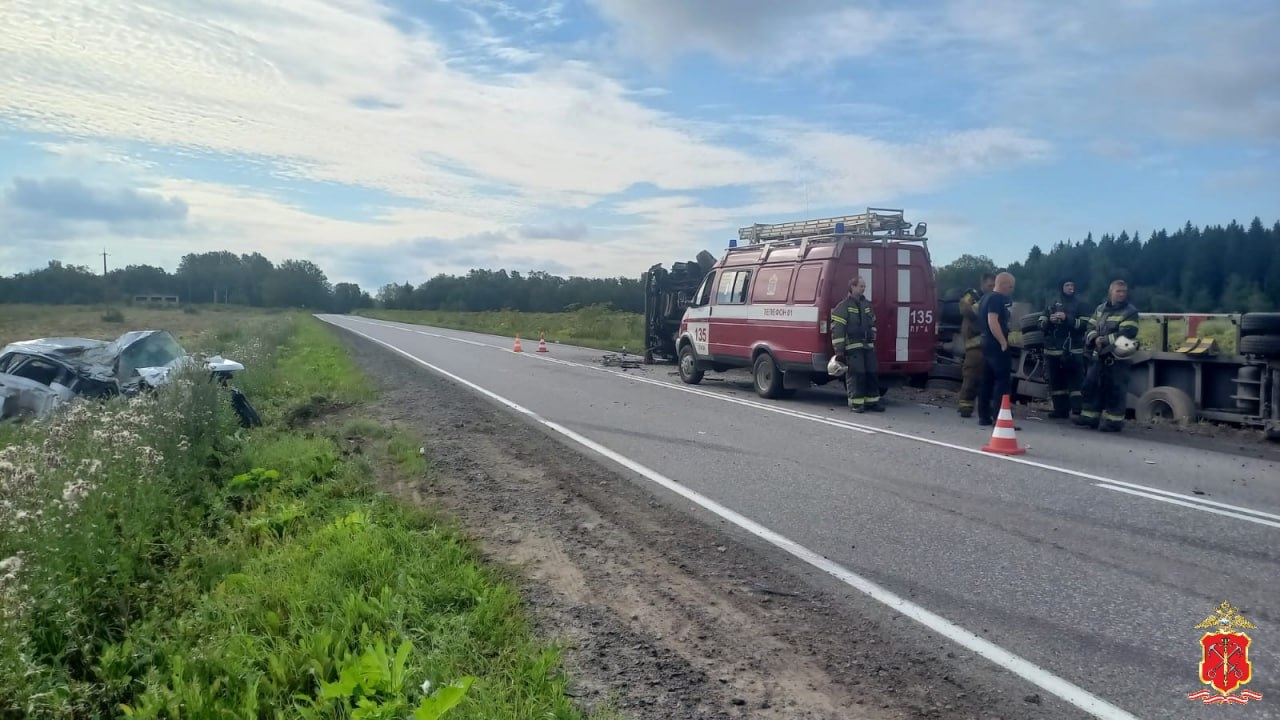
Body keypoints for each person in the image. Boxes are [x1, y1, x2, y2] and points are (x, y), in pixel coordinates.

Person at [1074, 280, 1140, 432]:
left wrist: (1104, 340)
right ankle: (1089, 417)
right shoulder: (1100, 308)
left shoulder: (1130, 311)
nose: (1122, 294)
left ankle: (1113, 422)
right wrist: (1094, 338)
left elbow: (1128, 332)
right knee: (1091, 386)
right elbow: (1090, 325)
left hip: (1117, 358)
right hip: (1099, 356)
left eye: (1124, 291)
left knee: (1115, 390)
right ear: (1111, 292)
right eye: (1118, 291)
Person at [1037, 277, 1089, 418]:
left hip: (1073, 351)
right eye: (1067, 285)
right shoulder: (1051, 303)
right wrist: (1049, 321)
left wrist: (1067, 318)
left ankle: (1078, 411)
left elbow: (1085, 325)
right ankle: (1060, 410)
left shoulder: (1081, 304)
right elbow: (1041, 323)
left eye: (1072, 284)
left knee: (1076, 383)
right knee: (1056, 383)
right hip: (1052, 351)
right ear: (1062, 287)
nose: (1070, 287)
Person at [831, 275, 883, 413]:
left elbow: (872, 323)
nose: (863, 288)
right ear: (852, 287)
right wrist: (839, 351)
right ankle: (856, 403)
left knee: (871, 373)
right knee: (857, 375)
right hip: (852, 346)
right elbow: (837, 330)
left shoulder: (867, 304)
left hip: (868, 346)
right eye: (861, 286)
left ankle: (872, 402)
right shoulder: (843, 306)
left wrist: (873, 336)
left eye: (864, 286)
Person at [976, 272, 1015, 426]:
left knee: (987, 380)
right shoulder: (997, 299)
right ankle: (1000, 418)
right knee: (1002, 381)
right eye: (1010, 286)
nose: (1012, 290)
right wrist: (1003, 341)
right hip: (995, 343)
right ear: (1003, 284)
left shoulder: (984, 298)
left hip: (985, 342)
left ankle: (983, 416)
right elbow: (993, 321)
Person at [957, 273, 996, 418]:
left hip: (991, 345)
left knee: (990, 378)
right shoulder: (972, 295)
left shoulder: (998, 299)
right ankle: (965, 407)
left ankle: (989, 408)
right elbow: (964, 309)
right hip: (975, 345)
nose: (992, 288)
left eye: (994, 285)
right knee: (971, 376)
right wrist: (983, 305)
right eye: (989, 285)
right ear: (982, 284)